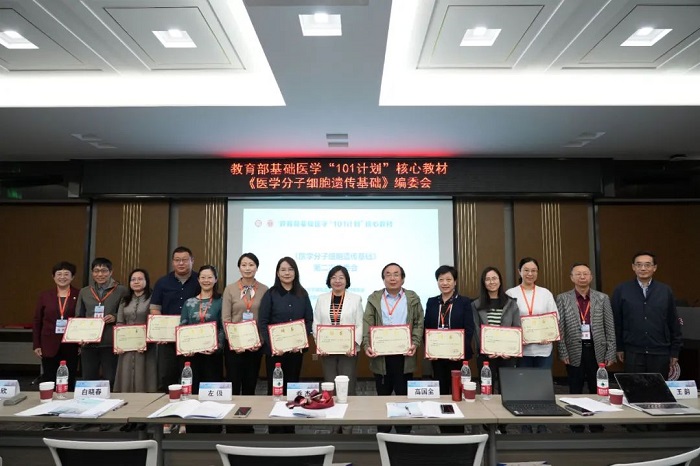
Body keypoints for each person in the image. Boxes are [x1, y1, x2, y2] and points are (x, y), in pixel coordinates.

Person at [363, 263, 424, 434]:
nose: (392, 278)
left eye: (396, 274)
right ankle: (383, 431)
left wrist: (415, 342)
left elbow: (419, 323)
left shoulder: (412, 298)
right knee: (383, 397)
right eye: (388, 274)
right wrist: (367, 345)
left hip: (405, 356)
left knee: (404, 396)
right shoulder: (374, 299)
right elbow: (367, 323)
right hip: (381, 357)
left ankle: (404, 432)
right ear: (383, 279)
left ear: (402, 278)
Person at [557, 262, 616, 433]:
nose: (582, 277)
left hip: (597, 350)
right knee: (575, 387)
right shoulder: (562, 298)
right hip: (573, 349)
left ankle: (596, 422)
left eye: (585, 274)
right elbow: (560, 328)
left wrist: (611, 352)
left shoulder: (602, 298)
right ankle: (576, 423)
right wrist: (562, 351)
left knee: (597, 387)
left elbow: (609, 326)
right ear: (571, 277)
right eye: (578, 274)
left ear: (591, 277)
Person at [258, 257, 313, 434]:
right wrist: (273, 345)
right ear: (277, 273)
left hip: (296, 352)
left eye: (290, 269)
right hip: (276, 353)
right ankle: (274, 428)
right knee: (275, 389)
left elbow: (308, 320)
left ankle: (290, 427)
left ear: (295, 272)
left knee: (292, 388)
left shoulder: (302, 294)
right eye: (283, 269)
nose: (287, 273)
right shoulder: (271, 294)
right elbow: (263, 322)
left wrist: (301, 341)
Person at [612, 251, 682, 377]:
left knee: (658, 387)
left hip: (659, 351)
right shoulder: (622, 290)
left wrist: (675, 351)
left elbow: (673, 322)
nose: (643, 268)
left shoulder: (665, 290)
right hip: (633, 351)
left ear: (654, 268)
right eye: (639, 265)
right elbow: (617, 321)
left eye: (647, 265)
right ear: (633, 267)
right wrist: (619, 347)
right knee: (634, 386)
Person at [313, 265, 364, 434]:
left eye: (341, 277)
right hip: (327, 350)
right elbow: (316, 323)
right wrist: (320, 344)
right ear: (329, 280)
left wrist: (353, 344)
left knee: (348, 386)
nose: (337, 281)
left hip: (348, 351)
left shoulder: (355, 299)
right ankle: (334, 425)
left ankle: (348, 425)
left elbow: (359, 324)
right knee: (329, 387)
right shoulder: (321, 299)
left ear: (347, 280)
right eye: (334, 277)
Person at [424, 265, 474, 434]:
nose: (444, 283)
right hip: (437, 357)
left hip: (457, 358)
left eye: (448, 279)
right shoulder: (432, 302)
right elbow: (427, 328)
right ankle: (444, 429)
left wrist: (460, 351)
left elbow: (469, 329)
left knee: (457, 393)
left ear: (455, 282)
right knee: (441, 392)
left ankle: (458, 430)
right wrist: (429, 350)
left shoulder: (464, 302)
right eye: (441, 280)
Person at [178, 265, 225, 433]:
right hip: (192, 356)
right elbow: (183, 326)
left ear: (216, 279)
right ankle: (193, 426)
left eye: (210, 277)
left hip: (212, 355)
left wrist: (217, 346)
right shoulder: (189, 302)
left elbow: (222, 327)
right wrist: (185, 347)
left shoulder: (221, 301)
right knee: (193, 390)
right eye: (203, 277)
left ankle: (213, 427)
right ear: (198, 280)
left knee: (212, 390)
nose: (206, 280)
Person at [150, 246, 200, 393]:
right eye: (177, 260)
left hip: (191, 338)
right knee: (167, 376)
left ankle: (191, 404)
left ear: (192, 260)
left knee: (191, 377)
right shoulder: (162, 282)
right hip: (168, 340)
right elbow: (155, 309)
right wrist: (160, 332)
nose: (181, 263)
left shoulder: (200, 280)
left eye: (185, 260)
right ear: (173, 262)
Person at [76, 257, 128, 389]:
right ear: (92, 273)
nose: (100, 274)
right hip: (89, 343)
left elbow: (127, 313)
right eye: (96, 271)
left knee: (110, 379)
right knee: (88, 379)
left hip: (110, 341)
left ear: (111, 272)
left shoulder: (121, 290)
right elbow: (79, 316)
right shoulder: (85, 291)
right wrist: (80, 337)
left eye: (104, 271)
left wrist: (115, 317)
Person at [222, 253, 269, 397]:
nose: (247, 268)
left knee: (250, 384)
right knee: (233, 383)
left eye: (251, 265)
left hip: (255, 345)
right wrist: (234, 342)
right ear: (239, 268)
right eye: (244, 265)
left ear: (257, 268)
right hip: (234, 346)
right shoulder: (230, 289)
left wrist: (260, 340)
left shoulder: (264, 289)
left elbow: (265, 318)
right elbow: (226, 317)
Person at [472, 266, 520, 397]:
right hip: (486, 355)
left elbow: (517, 327)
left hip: (507, 355)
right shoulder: (476, 304)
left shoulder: (511, 303)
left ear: (500, 280)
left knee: (508, 391)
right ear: (483, 282)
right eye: (487, 279)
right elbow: (476, 330)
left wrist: (511, 351)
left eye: (494, 278)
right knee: (487, 392)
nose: (491, 282)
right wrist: (486, 350)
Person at [32, 261, 80, 391]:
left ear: (72, 277)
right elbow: (37, 321)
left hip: (71, 343)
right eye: (59, 274)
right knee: (49, 377)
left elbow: (82, 319)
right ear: (53, 276)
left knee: (69, 378)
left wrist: (81, 343)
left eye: (66, 274)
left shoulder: (79, 294)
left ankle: (68, 401)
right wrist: (36, 344)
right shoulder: (45, 296)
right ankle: (48, 401)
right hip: (48, 343)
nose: (62, 277)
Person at [506, 257, 558, 369]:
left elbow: (555, 318)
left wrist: (549, 335)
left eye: (533, 271)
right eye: (526, 270)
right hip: (521, 350)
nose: (530, 274)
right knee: (523, 379)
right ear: (519, 271)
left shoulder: (545, 293)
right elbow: (506, 321)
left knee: (542, 380)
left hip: (543, 349)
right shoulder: (511, 293)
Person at [114, 268, 157, 393]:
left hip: (146, 345)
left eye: (140, 279)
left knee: (144, 375)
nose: (136, 282)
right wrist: (118, 344)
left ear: (146, 281)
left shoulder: (153, 298)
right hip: (126, 346)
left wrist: (146, 341)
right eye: (133, 279)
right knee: (125, 375)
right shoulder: (125, 300)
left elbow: (155, 322)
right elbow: (120, 322)